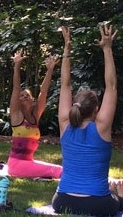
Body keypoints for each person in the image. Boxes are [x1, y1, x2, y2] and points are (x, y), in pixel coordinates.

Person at [51, 25, 123, 216]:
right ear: (96, 110)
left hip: (62, 201)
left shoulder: (65, 123)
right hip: (97, 204)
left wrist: (67, 49)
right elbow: (112, 86)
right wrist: (107, 48)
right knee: (119, 201)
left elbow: (65, 84)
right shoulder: (102, 127)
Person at [7, 50, 63, 179]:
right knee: (58, 172)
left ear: (32, 100)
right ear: (18, 101)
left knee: (60, 169)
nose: (25, 96)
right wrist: (17, 65)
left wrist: (50, 70)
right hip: (16, 165)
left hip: (28, 162)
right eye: (22, 96)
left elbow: (43, 92)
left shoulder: (35, 116)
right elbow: (16, 88)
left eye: (27, 95)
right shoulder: (16, 116)